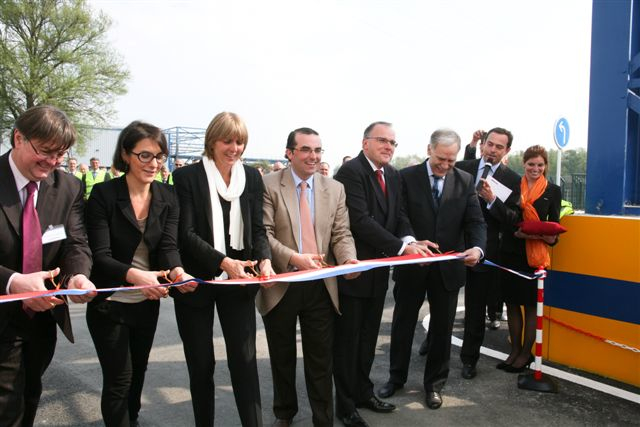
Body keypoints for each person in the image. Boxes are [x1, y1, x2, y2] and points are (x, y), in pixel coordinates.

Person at [85, 121, 193, 427]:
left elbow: (170, 246)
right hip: (110, 302)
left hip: (148, 302)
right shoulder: (104, 195)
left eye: (159, 156)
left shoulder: (168, 196)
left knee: (137, 377)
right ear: (126, 155)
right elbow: (100, 256)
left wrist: (178, 272)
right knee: (119, 380)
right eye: (144, 155)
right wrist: (137, 277)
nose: (154, 163)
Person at [172, 112, 274, 427]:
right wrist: (223, 262)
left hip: (240, 280)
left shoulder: (252, 178)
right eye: (227, 140)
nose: (234, 148)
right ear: (212, 141)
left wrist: (265, 259)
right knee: (201, 365)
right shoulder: (187, 177)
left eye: (240, 141)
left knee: (244, 362)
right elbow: (185, 234)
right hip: (197, 280)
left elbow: (258, 230)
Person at [0, 105, 96, 427]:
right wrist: (14, 282)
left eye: (60, 154)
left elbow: (75, 244)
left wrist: (78, 277)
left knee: (29, 398)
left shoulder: (67, 188)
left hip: (41, 319)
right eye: (45, 151)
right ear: (18, 138)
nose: (52, 162)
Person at [378, 129, 486, 410]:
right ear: (429, 149)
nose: (446, 165)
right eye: (441, 159)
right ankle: (396, 378)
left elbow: (475, 222)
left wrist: (477, 248)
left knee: (442, 329)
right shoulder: (406, 176)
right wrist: (411, 243)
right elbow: (398, 215)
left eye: (451, 160)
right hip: (412, 266)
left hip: (448, 269)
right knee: (402, 324)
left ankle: (434, 385)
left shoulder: (464, 181)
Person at [258, 128, 358, 427]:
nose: (313, 156)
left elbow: (341, 233)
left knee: (320, 360)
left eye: (318, 150)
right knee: (282, 356)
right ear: (289, 153)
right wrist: (293, 258)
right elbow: (264, 233)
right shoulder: (267, 185)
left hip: (321, 286)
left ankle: (322, 419)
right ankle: (284, 414)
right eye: (305, 150)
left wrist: (348, 259)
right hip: (282, 282)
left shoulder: (334, 188)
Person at [332, 121, 429, 427]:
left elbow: (399, 216)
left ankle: (363, 392)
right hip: (354, 271)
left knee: (368, 339)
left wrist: (411, 241)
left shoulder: (393, 174)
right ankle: (345, 405)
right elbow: (359, 221)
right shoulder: (351, 173)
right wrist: (402, 250)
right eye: (383, 141)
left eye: (393, 143)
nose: (389, 147)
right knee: (348, 342)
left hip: (378, 274)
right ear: (365, 144)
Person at [455, 127, 521, 380]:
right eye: (489, 144)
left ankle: (469, 359)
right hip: (452, 245)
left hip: (486, 251)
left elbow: (513, 219)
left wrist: (493, 200)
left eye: (499, 147)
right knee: (442, 299)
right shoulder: (462, 167)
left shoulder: (512, 180)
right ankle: (433, 342)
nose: (492, 150)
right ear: (483, 144)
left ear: (507, 151)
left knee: (475, 308)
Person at [497, 145, 561, 373]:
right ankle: (514, 351)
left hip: (534, 257)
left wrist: (538, 235)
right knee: (512, 304)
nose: (535, 168)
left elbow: (555, 228)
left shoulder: (553, 190)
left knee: (531, 307)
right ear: (524, 164)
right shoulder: (513, 186)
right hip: (510, 253)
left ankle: (525, 354)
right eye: (531, 164)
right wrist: (516, 231)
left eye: (540, 165)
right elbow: (503, 217)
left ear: (546, 166)